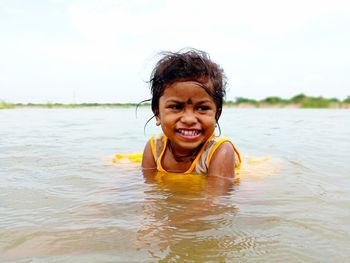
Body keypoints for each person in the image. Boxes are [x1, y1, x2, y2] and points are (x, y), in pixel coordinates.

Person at [142, 48, 241, 177]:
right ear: (157, 113)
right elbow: (148, 189)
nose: (189, 119)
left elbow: (217, 196)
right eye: (176, 107)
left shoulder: (220, 151)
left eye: (202, 108)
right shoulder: (155, 147)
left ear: (217, 115)